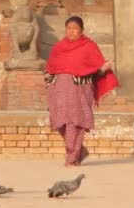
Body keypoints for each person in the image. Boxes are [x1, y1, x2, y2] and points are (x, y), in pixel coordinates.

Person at [44, 16, 118, 167]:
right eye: (68, 28)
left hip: (79, 90)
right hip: (59, 91)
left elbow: (96, 69)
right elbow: (49, 68)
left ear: (81, 30)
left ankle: (72, 158)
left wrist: (103, 69)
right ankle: (79, 151)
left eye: (75, 28)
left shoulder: (89, 46)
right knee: (60, 122)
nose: (71, 32)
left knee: (75, 123)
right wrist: (48, 84)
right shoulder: (58, 47)